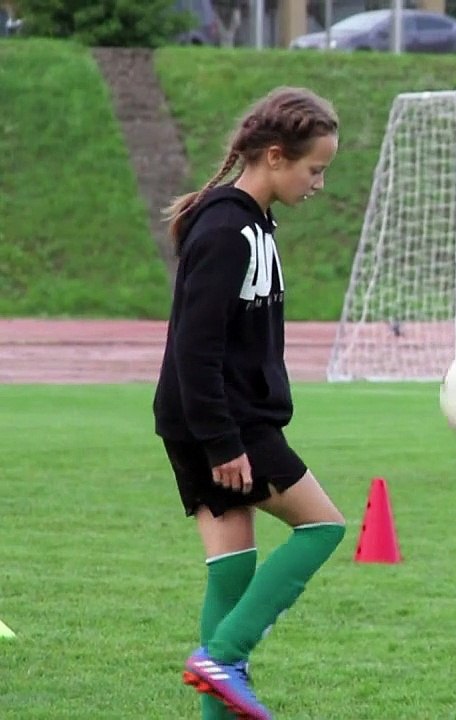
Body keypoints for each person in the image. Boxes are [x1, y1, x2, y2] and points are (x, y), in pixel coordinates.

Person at [153, 86, 346, 720]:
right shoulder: (226, 228)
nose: (318, 183)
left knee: (232, 572)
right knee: (323, 525)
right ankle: (224, 655)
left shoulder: (255, 222)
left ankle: (219, 685)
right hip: (222, 421)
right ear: (273, 155)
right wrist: (223, 442)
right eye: (314, 169)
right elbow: (194, 346)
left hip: (215, 418)